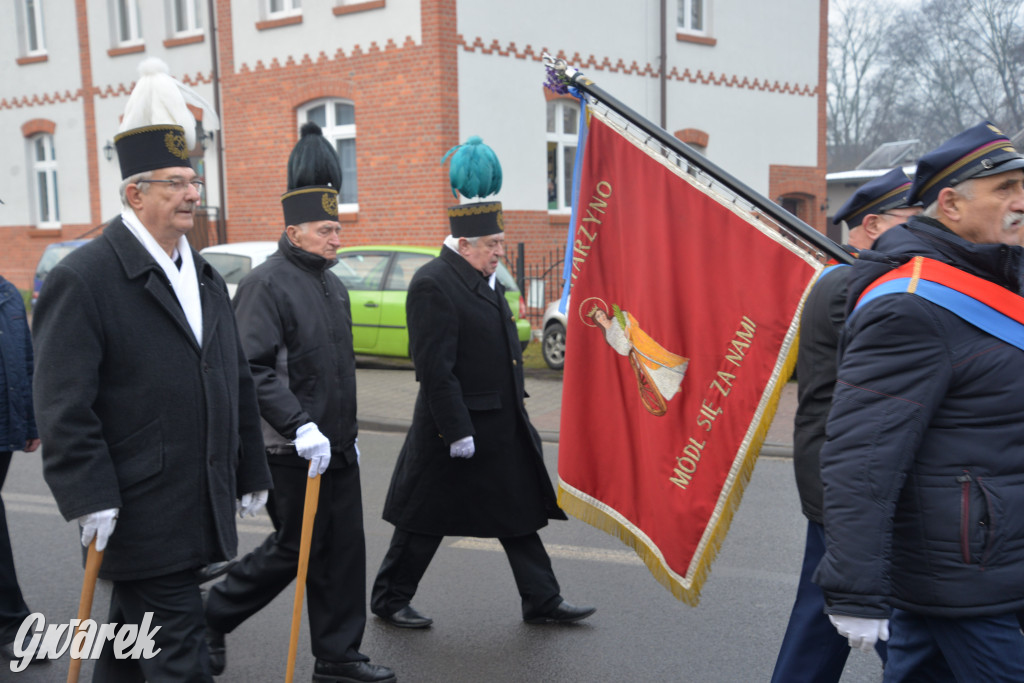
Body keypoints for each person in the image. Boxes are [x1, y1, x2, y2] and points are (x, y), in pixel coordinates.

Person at [31, 58, 272, 681]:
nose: (194, 193)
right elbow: (62, 402)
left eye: (193, 179)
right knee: (180, 656)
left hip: (196, 499)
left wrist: (249, 464)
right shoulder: (83, 280)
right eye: (175, 182)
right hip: (138, 504)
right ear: (135, 193)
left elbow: (233, 376)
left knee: (130, 647)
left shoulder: (207, 277)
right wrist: (87, 495)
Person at [814, 121, 1024, 681]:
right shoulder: (911, 304)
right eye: (1005, 189)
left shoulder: (998, 274)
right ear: (951, 204)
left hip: (983, 558)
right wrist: (855, 590)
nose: (1020, 202)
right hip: (964, 570)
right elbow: (862, 454)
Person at [371, 137, 594, 628]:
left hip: (499, 424)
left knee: (518, 512)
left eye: (499, 243)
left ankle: (542, 599)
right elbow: (435, 368)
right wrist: (457, 431)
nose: (500, 251)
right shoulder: (433, 282)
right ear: (466, 244)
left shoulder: (486, 278)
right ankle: (388, 599)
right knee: (423, 516)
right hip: (454, 429)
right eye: (493, 245)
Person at [204, 123, 395, 683]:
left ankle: (338, 656)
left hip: (334, 445)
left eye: (338, 227)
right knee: (296, 547)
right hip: (289, 447)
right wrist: (300, 426)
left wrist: (346, 430)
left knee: (343, 551)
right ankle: (209, 615)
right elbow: (253, 368)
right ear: (294, 231)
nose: (338, 238)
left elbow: (335, 368)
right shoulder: (267, 283)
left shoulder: (332, 285)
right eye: (327, 229)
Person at [770, 168, 919, 682]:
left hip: (841, 474)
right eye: (913, 218)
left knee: (822, 613)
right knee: (881, 618)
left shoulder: (857, 278)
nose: (925, 229)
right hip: (842, 478)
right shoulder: (849, 285)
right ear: (874, 224)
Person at [0, 275, 41, 663]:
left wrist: (30, 423)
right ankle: (12, 624)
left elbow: (25, 362)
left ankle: (11, 624)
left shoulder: (8, 293)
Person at [586, 302, 689, 415]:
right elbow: (621, 349)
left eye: (601, 313)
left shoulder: (617, 319)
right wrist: (627, 345)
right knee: (652, 371)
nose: (602, 316)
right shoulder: (609, 335)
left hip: (642, 342)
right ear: (597, 321)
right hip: (635, 351)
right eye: (598, 316)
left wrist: (629, 327)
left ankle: (679, 375)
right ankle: (672, 387)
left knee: (659, 357)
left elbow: (629, 318)